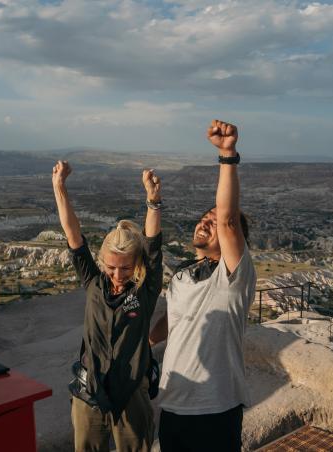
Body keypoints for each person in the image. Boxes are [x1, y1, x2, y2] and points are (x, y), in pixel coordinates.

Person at [149, 119, 256, 452]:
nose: (205, 222)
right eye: (203, 217)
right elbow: (173, 318)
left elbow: (226, 218)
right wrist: (143, 344)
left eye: (214, 222)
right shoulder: (183, 275)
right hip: (173, 403)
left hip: (215, 406)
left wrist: (227, 155)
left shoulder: (233, 276)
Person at [52, 161, 163, 452]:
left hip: (130, 392)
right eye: (112, 268)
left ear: (135, 265)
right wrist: (59, 187)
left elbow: (152, 246)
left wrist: (153, 201)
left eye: (125, 268)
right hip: (90, 390)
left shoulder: (145, 291)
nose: (117, 275)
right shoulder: (93, 282)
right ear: (103, 262)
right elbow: (73, 235)